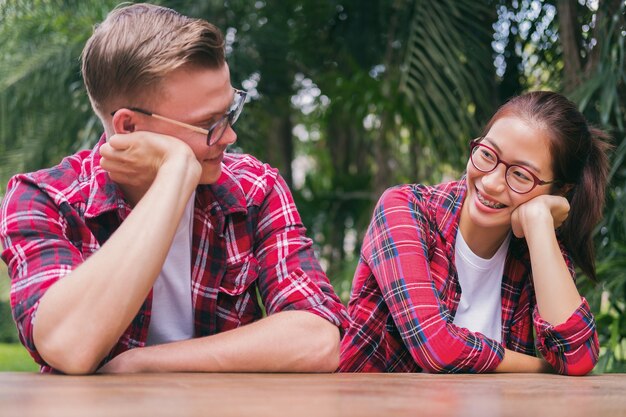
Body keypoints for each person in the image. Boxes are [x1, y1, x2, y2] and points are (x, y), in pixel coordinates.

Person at [0, 3, 348, 375]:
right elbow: (69, 346)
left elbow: (319, 339)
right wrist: (175, 171)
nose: (230, 135)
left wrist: (142, 364)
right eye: (209, 124)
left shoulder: (254, 189)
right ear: (129, 127)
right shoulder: (43, 199)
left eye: (230, 112)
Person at [338, 91, 610, 375]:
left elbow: (577, 358)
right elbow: (437, 349)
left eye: (520, 175)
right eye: (487, 154)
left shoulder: (536, 246)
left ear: (559, 190)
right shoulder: (404, 209)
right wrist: (542, 367)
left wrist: (539, 221)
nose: (491, 183)